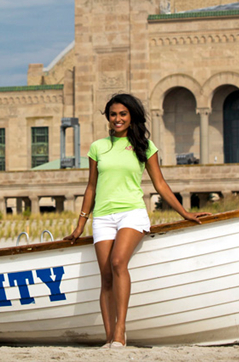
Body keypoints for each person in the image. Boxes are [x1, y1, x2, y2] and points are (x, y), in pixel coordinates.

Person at [64, 93, 208, 349]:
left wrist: (184, 212)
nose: (117, 119)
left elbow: (160, 184)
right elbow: (91, 188)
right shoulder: (98, 147)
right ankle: (109, 338)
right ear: (107, 118)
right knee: (106, 276)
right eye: (113, 114)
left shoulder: (145, 146)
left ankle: (121, 331)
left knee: (118, 261)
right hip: (103, 217)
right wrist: (80, 225)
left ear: (131, 117)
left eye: (123, 114)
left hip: (132, 213)